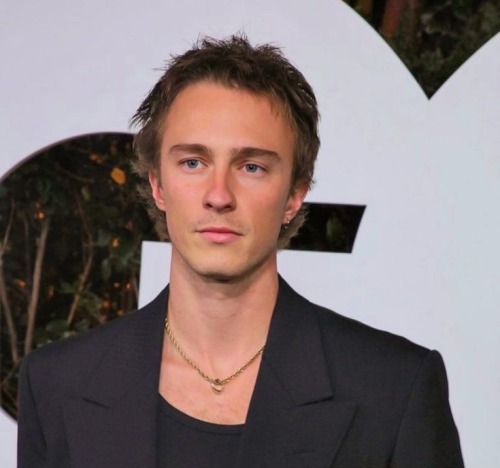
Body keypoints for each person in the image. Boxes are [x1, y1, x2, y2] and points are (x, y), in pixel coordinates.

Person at [18, 34, 464, 467]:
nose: (218, 195)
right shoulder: (57, 384)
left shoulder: (394, 389)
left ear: (294, 195)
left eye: (251, 167)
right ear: (157, 184)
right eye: (193, 162)